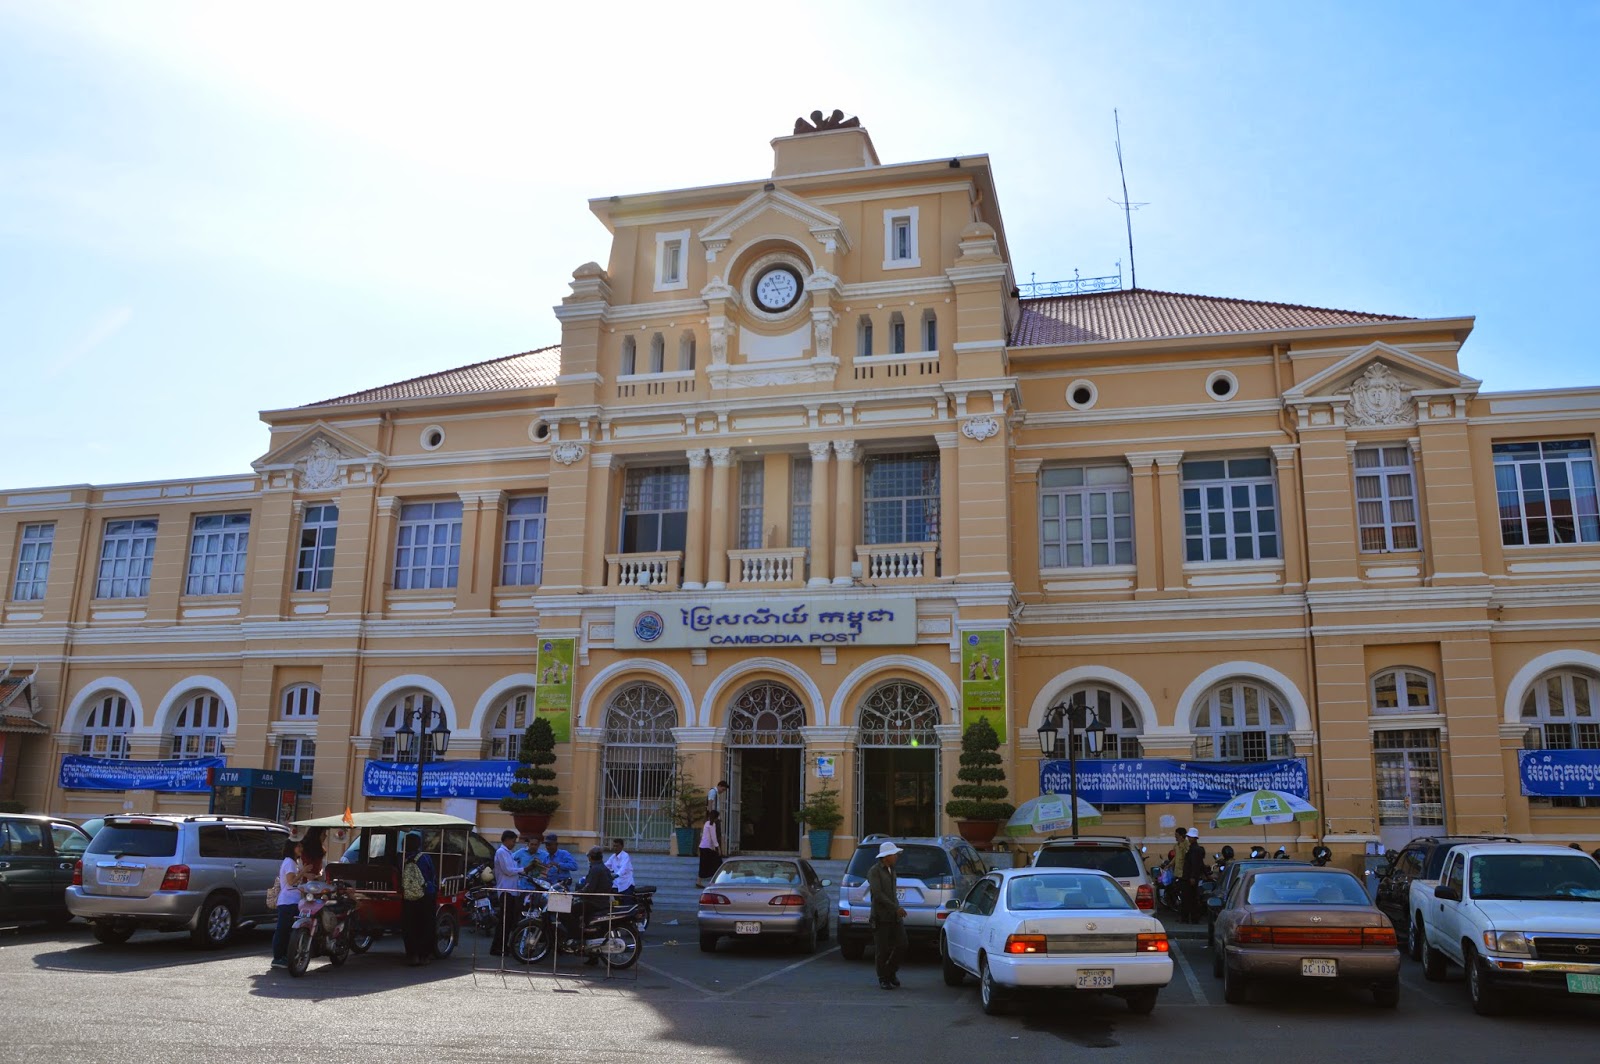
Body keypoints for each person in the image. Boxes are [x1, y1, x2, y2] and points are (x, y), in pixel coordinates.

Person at [867, 840, 908, 990]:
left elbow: (892, 894)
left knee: (902, 944)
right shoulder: (874, 871)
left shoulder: (892, 870)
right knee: (882, 949)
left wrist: (896, 908)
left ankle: (890, 971)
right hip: (880, 916)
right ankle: (883, 977)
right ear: (886, 857)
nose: (897, 857)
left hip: (894, 915)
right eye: (894, 855)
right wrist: (895, 908)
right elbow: (878, 894)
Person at [400, 832, 438, 967]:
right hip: (426, 894)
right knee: (426, 925)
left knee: (410, 926)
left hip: (408, 896)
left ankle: (412, 955)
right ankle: (424, 955)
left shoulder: (402, 859)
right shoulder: (425, 858)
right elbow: (432, 875)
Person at [574, 846, 616, 965]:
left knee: (573, 911)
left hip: (595, 902)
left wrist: (577, 893)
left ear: (591, 857)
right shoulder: (602, 868)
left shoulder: (596, 869)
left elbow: (590, 888)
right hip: (600, 901)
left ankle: (578, 938)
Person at [269, 838, 303, 969]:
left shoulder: (294, 862)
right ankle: (278, 958)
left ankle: (284, 956)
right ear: (292, 848)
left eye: (301, 846)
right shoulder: (289, 862)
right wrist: (303, 872)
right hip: (287, 901)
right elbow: (291, 881)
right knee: (282, 930)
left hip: (293, 901)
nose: (300, 849)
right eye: (298, 846)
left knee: (288, 930)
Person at [491, 829, 520, 956]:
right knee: (504, 921)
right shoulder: (501, 852)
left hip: (512, 890)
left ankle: (503, 946)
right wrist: (524, 869)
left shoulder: (509, 853)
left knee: (509, 921)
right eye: (513, 841)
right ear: (507, 840)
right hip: (505, 890)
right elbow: (508, 870)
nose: (514, 843)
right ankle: (498, 947)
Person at [1180, 828, 1207, 924]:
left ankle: (1190, 918)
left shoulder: (1195, 849)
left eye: (1190, 837)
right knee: (1190, 898)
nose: (1188, 838)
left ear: (1194, 838)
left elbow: (1195, 864)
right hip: (1189, 876)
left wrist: (1192, 877)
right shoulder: (1193, 848)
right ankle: (1190, 918)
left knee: (1189, 899)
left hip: (1190, 877)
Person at [697, 811, 721, 887]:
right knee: (717, 862)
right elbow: (713, 837)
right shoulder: (712, 824)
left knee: (703, 864)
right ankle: (714, 881)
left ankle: (699, 881)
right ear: (716, 817)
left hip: (703, 847)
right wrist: (718, 848)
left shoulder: (707, 823)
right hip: (707, 848)